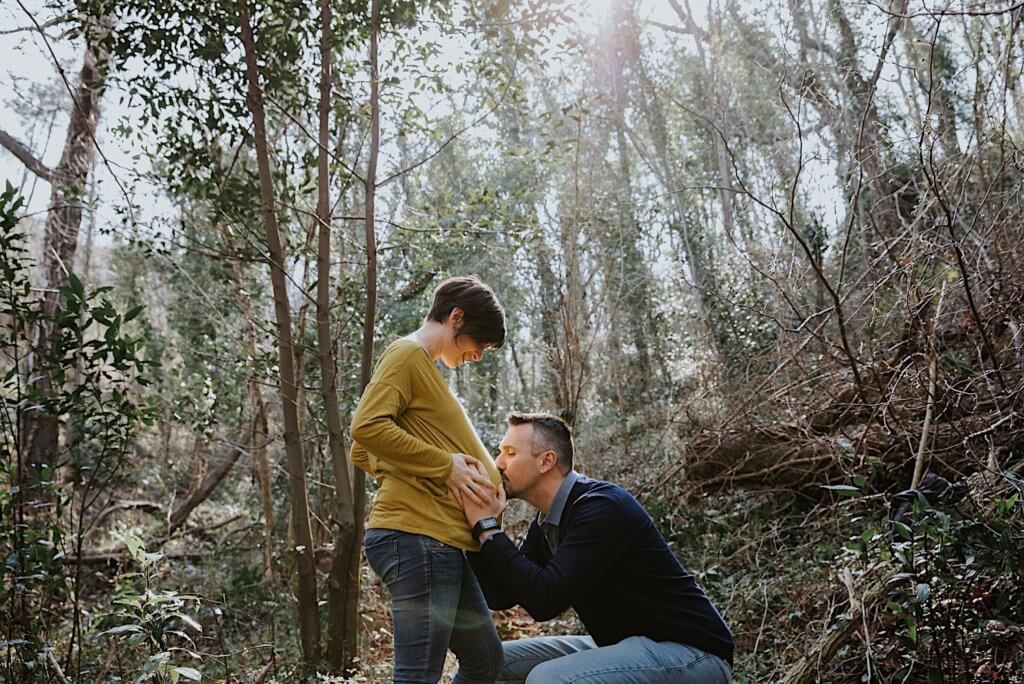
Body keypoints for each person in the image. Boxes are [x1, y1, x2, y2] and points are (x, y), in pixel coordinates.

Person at [462, 412, 735, 683]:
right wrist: (472, 532)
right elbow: (503, 597)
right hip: (620, 645)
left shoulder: (601, 507)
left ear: (546, 461)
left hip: (691, 652)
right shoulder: (547, 520)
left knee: (549, 679)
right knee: (490, 662)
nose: (498, 463)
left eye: (510, 452)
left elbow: (544, 601)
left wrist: (488, 529)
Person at [349, 276, 506, 684]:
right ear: (457, 318)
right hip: (417, 537)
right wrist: (443, 467)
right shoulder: (406, 354)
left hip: (442, 543)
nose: (480, 355)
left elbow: (366, 455)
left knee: (486, 659)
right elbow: (365, 430)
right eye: (481, 344)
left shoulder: (427, 370)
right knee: (418, 676)